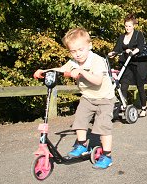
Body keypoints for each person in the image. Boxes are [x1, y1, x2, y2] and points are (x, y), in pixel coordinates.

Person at [33, 28, 115, 169]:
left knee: (103, 127)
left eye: (80, 50)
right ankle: (82, 145)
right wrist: (44, 71)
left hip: (105, 99)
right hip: (88, 98)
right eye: (73, 51)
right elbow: (61, 70)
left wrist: (82, 72)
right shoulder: (74, 62)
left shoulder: (97, 60)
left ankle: (107, 155)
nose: (77, 54)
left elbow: (97, 81)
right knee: (80, 120)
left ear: (89, 46)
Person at [108, 13, 147, 117]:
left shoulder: (138, 34)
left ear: (133, 26)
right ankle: (124, 105)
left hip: (137, 63)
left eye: (129, 26)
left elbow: (141, 46)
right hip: (125, 64)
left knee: (140, 87)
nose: (127, 28)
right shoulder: (122, 37)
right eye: (126, 26)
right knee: (123, 85)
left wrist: (133, 51)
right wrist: (112, 53)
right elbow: (117, 49)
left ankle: (143, 108)